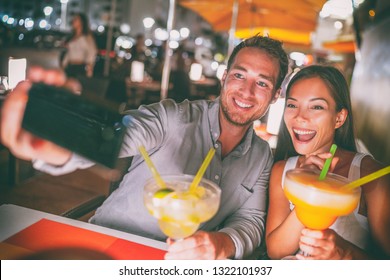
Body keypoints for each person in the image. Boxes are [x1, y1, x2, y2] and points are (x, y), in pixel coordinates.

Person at [0, 35, 289, 260]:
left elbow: (249, 220)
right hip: (109, 246)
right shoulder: (172, 118)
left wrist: (224, 243)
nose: (246, 92)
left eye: (262, 83)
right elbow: (112, 137)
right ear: (225, 76)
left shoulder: (262, 156)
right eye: (239, 75)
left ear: (275, 95)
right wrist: (57, 140)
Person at [266, 65, 390, 260]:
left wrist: (344, 253)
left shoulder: (370, 177)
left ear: (339, 118)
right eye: (292, 105)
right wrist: (307, 194)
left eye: (316, 107)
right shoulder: (282, 170)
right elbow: (275, 251)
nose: (299, 116)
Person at [62, 13, 97, 78]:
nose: (73, 21)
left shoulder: (87, 38)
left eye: (76, 19)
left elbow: (92, 52)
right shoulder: (72, 37)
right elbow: (69, 52)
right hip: (69, 66)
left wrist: (89, 68)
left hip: (80, 67)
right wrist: (64, 64)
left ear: (82, 22)